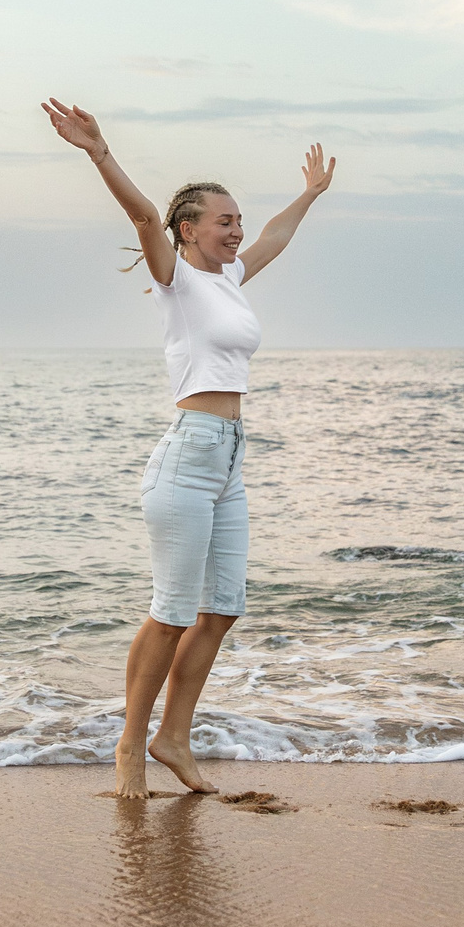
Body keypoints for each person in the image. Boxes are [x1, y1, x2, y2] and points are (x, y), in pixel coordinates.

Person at [42, 98, 337, 798]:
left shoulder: (228, 279)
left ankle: (173, 736)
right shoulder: (173, 281)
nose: (237, 231)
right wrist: (99, 151)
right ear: (190, 229)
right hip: (187, 457)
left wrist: (309, 195)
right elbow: (144, 218)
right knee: (172, 611)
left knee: (222, 607)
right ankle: (129, 747)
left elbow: (274, 238)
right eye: (224, 221)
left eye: (237, 220)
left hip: (230, 457)